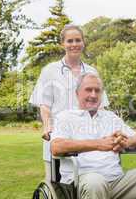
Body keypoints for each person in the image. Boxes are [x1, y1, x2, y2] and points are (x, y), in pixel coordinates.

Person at [51, 73, 136, 199]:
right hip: (82, 182)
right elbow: (56, 146)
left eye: (97, 91)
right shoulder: (65, 117)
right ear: (77, 93)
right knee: (96, 182)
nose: (93, 95)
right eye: (88, 90)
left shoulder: (111, 117)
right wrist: (98, 144)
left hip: (117, 181)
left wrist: (126, 142)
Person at [29, 24, 109, 181]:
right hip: (60, 137)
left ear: (83, 42)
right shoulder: (50, 70)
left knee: (90, 183)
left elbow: (101, 106)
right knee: (58, 187)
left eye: (78, 40)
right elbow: (44, 104)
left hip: (88, 139)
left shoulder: (92, 72)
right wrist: (47, 125)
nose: (74, 44)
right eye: (70, 41)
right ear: (62, 44)